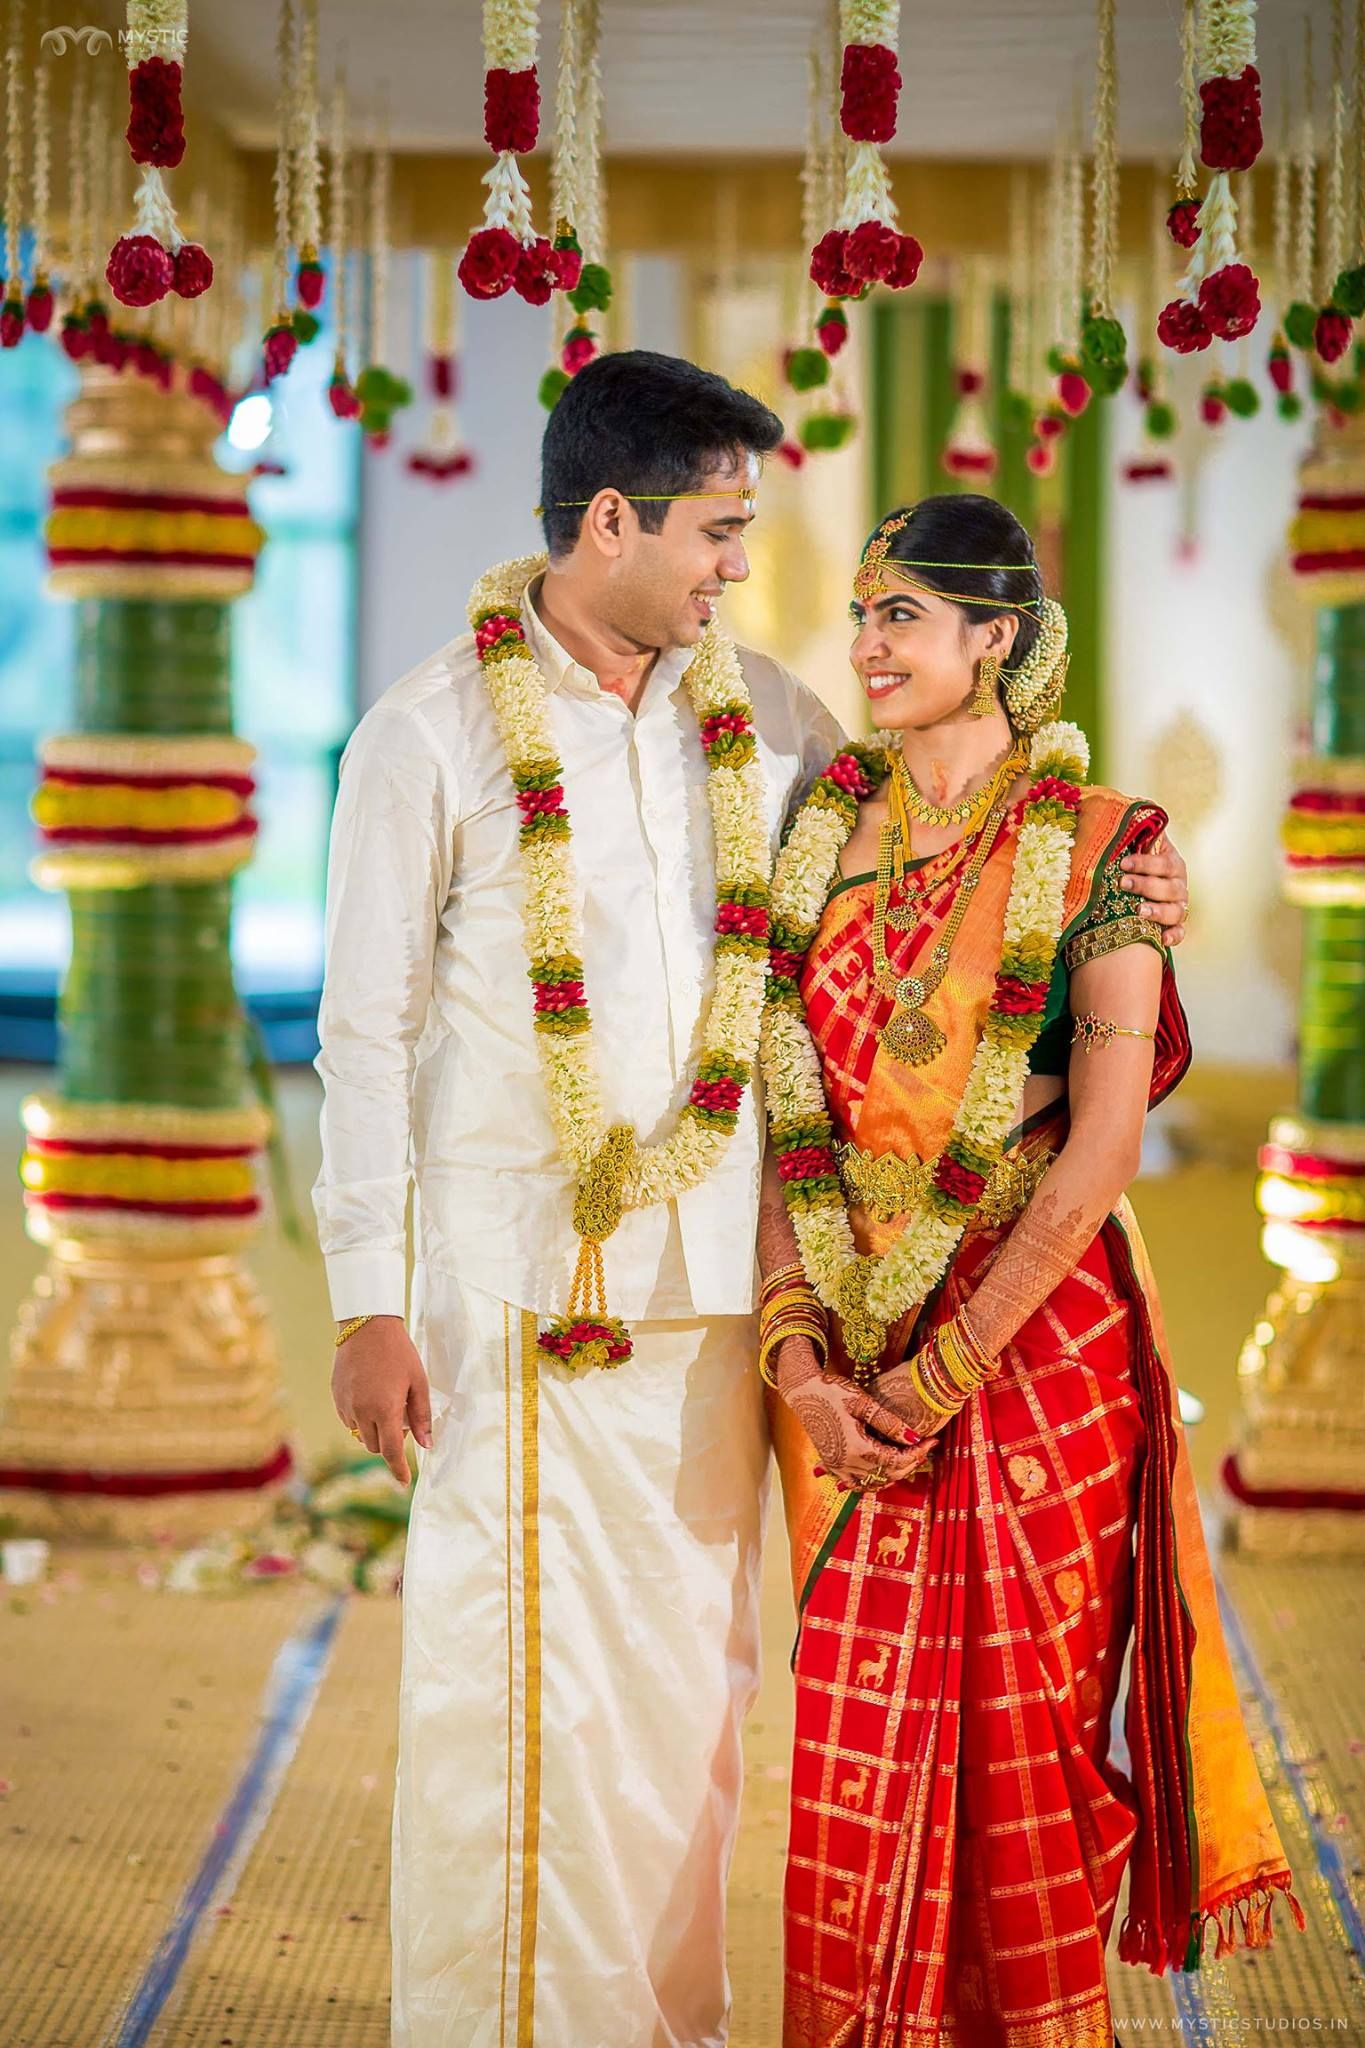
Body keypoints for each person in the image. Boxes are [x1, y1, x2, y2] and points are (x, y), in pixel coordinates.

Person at [312, 355, 1189, 2048]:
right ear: (614, 520)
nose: (734, 567)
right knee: (517, 1708)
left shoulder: (777, 724)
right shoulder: (425, 734)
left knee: (690, 1712)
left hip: (730, 1299)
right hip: (518, 1301)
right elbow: (365, 1028)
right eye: (717, 530)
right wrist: (366, 1293)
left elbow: (952, 874)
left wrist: (1141, 888)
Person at [756, 496, 1302, 2048]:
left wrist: (947, 1366)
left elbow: (1103, 1147)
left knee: (1024, 1732)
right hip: (853, 1329)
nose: (867, 646)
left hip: (1034, 1349)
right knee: (854, 1738)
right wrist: (803, 1358)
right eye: (861, 615)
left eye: (904, 616)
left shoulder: (1104, 846)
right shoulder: (818, 836)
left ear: (997, 638)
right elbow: (777, 1111)